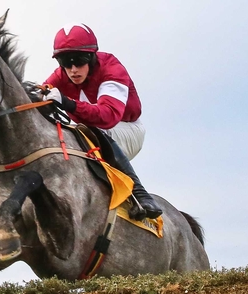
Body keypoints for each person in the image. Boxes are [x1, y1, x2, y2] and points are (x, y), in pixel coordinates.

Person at [42, 23, 162, 220]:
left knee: (90, 131)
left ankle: (141, 195)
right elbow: (39, 97)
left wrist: (68, 103)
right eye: (65, 63)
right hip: (94, 131)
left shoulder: (111, 68)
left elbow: (107, 117)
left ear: (91, 57)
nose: (73, 70)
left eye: (79, 61)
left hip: (125, 128)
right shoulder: (61, 76)